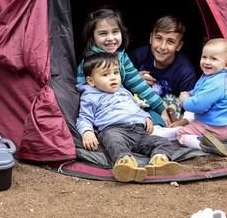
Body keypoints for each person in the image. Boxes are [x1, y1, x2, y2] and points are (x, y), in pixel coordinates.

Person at [76, 53, 181, 182]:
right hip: (114, 130)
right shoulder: (90, 96)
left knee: (162, 142)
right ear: (91, 81)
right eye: (105, 74)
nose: (113, 77)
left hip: (138, 131)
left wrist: (146, 117)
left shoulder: (124, 92)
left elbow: (136, 108)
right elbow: (84, 117)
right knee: (113, 142)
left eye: (115, 72)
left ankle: (159, 161)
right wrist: (87, 132)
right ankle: (125, 163)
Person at [76, 8, 170, 126]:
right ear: (93, 37)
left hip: (123, 103)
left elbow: (137, 83)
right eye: (103, 33)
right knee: (147, 124)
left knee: (158, 120)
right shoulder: (90, 62)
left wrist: (160, 107)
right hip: (105, 113)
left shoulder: (121, 56)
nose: (110, 38)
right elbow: (82, 94)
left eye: (115, 32)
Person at [153, 38, 227, 157]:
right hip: (220, 123)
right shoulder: (216, 76)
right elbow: (200, 91)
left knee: (181, 135)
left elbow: (199, 106)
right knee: (189, 122)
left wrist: (185, 101)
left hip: (213, 128)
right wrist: (190, 93)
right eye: (204, 57)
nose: (207, 62)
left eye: (213, 59)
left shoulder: (216, 84)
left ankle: (205, 144)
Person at [130, 15, 197, 123]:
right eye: (158, 38)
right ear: (151, 38)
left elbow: (190, 108)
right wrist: (135, 79)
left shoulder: (185, 72)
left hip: (165, 114)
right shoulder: (139, 55)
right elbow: (119, 80)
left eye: (170, 41)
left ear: (179, 46)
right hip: (137, 105)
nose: (162, 46)